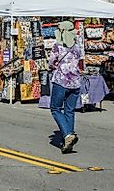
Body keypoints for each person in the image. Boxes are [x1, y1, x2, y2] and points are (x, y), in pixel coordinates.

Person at [48, 21, 83, 154]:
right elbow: (79, 60)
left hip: (61, 81)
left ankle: (68, 134)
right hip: (75, 82)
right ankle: (68, 140)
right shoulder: (77, 46)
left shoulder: (58, 46)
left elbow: (51, 62)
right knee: (70, 111)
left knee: (55, 108)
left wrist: (53, 66)